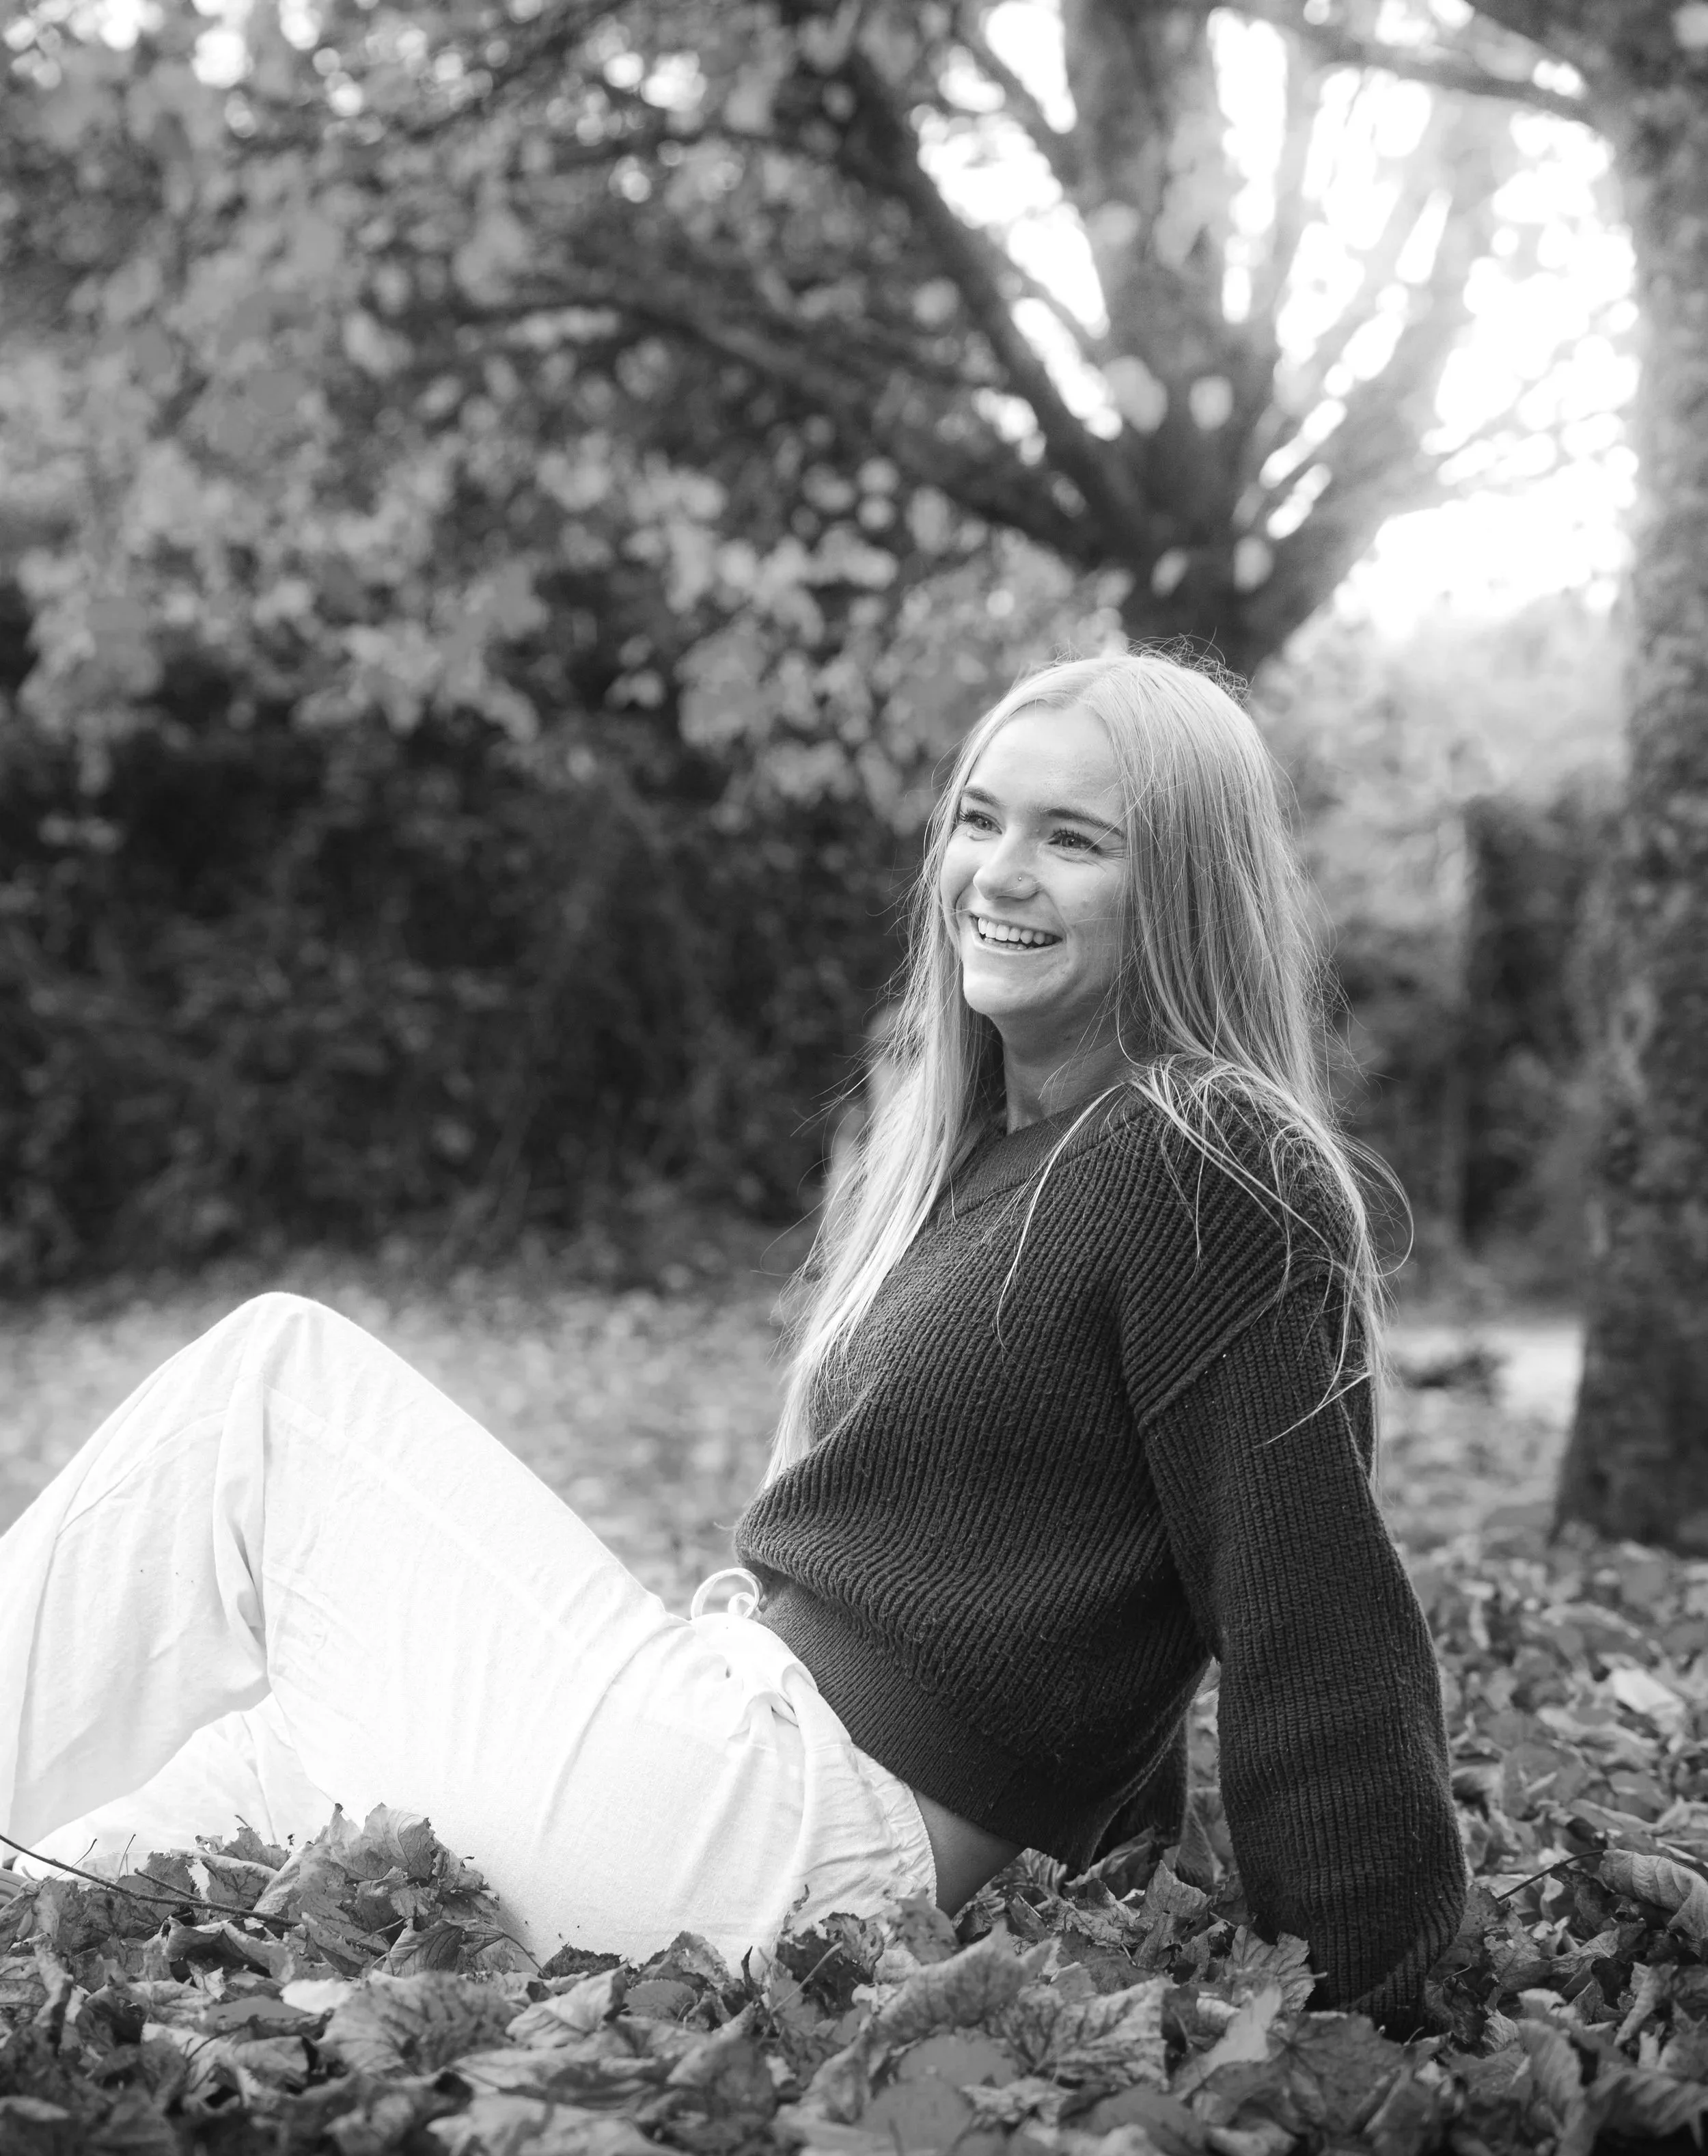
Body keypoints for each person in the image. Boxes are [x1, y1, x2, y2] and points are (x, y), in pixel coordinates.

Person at [0, 650, 1464, 2021]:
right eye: (978, 821)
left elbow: (1303, 1608)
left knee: (272, 1388)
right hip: (748, 1786)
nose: (997, 874)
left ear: (1183, 889)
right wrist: (1117, 1858)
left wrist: (1365, 2017)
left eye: (1073, 840)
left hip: (784, 1832)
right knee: (205, 1783)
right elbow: (1097, 1611)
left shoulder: (1202, 1155)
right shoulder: (1004, 1159)